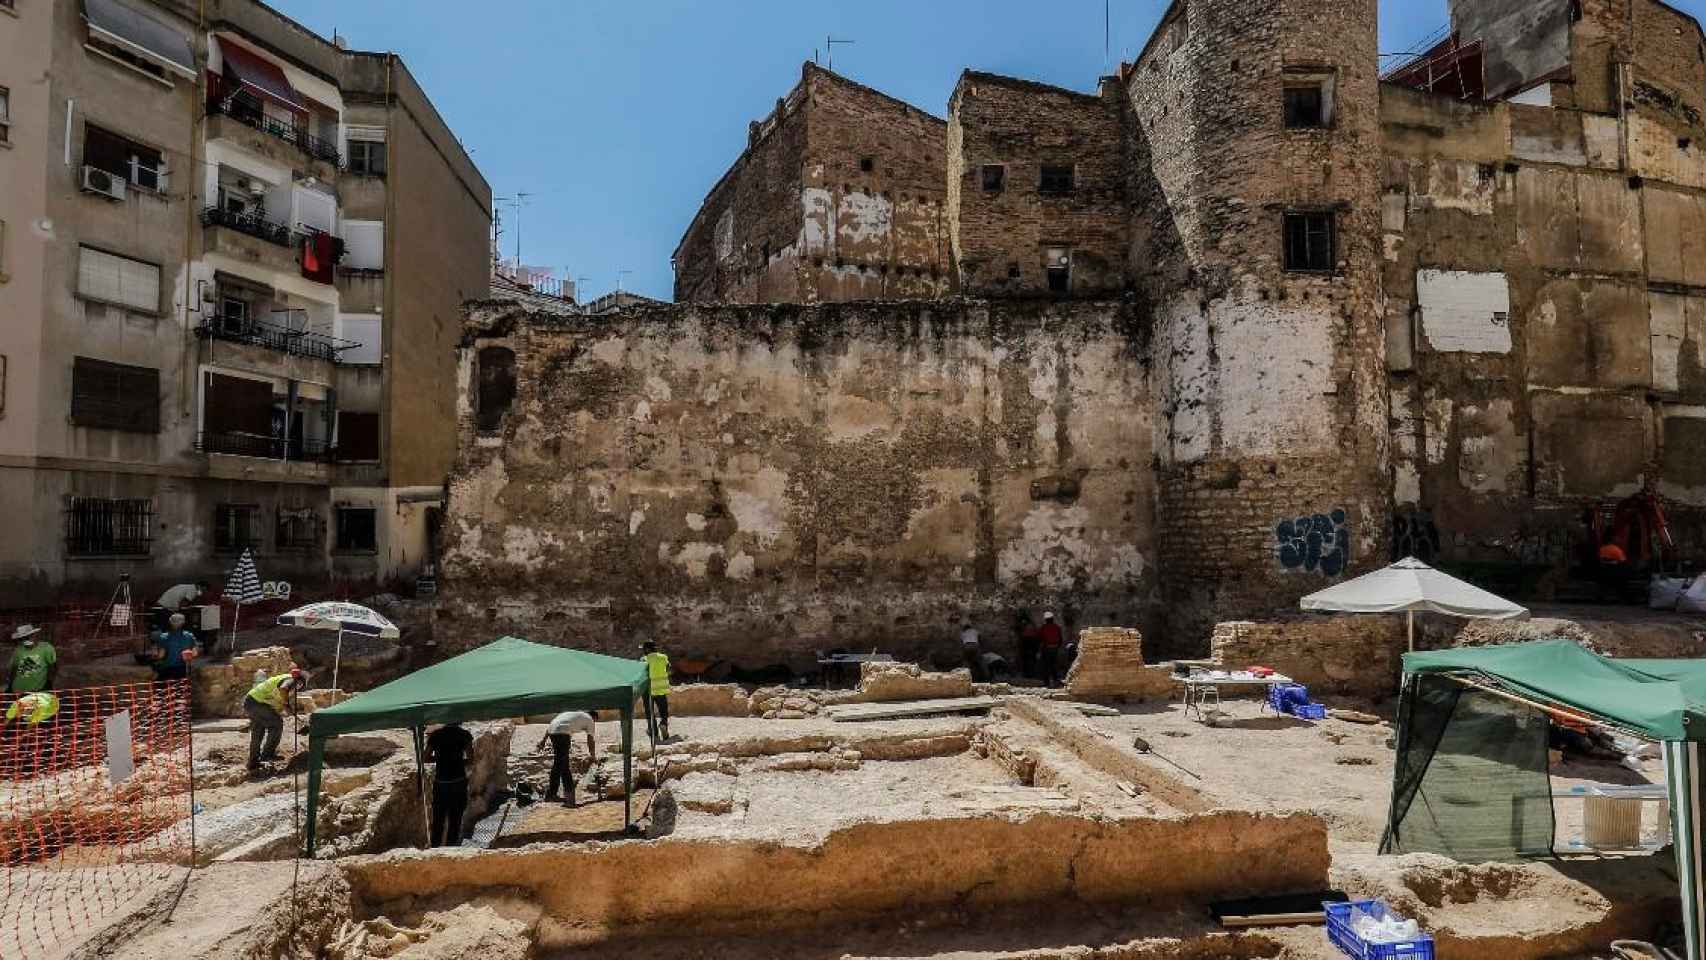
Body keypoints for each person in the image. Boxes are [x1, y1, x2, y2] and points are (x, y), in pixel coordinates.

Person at [426, 721, 475, 847]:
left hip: (441, 782)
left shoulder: (436, 735)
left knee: (438, 817)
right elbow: (471, 759)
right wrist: (457, 761)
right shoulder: (464, 735)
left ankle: (435, 847)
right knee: (456, 817)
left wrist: (441, 759)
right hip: (458, 781)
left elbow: (425, 757)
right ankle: (451, 847)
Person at [244, 668, 304, 771]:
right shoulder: (290, 679)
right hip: (258, 703)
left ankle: (253, 762)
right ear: (299, 680)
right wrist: (286, 704)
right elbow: (283, 688)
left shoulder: (284, 679)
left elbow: (279, 698)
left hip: (250, 702)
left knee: (258, 732)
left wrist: (288, 709)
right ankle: (267, 755)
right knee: (276, 724)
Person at [537, 710, 597, 806]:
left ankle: (552, 794)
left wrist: (543, 741)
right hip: (562, 733)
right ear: (594, 718)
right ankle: (569, 798)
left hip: (553, 732)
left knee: (558, 764)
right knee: (564, 766)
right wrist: (593, 755)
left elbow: (551, 726)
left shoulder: (572, 715)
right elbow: (590, 739)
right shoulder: (590, 719)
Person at [6, 625, 57, 694]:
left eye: (29, 636)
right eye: (23, 638)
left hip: (39, 690)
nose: (26, 640)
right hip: (19, 690)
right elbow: (14, 669)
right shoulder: (18, 651)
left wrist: (49, 683)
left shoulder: (46, 648)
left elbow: (53, 667)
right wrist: (10, 686)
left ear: (34, 635)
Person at [149, 613, 199, 682]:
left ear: (170, 623)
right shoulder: (190, 636)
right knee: (180, 689)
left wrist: (154, 657)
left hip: (166, 669)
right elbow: (195, 653)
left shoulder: (164, 637)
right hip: (183, 669)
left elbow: (161, 655)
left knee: (158, 685)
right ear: (183, 623)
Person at [641, 641, 671, 741]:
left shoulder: (644, 660)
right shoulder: (663, 657)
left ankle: (653, 731)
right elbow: (669, 670)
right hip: (661, 689)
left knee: (650, 712)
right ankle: (663, 724)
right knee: (664, 711)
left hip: (648, 691)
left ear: (647, 649)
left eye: (643, 649)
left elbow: (641, 675)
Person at [1037, 612, 1064, 689]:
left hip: (1046, 648)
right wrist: (1057, 647)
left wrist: (1040, 649)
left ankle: (1047, 682)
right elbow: (1060, 639)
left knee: (1046, 665)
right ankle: (1055, 680)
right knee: (1054, 665)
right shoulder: (1057, 627)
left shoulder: (1043, 628)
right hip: (1055, 648)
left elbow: (1040, 638)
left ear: (1046, 620)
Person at [1014, 610, 1039, 680]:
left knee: (1026, 658)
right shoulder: (1031, 624)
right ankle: (1031, 673)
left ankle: (1028, 674)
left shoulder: (1024, 623)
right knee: (1030, 658)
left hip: (1026, 641)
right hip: (1031, 641)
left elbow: (1017, 628)